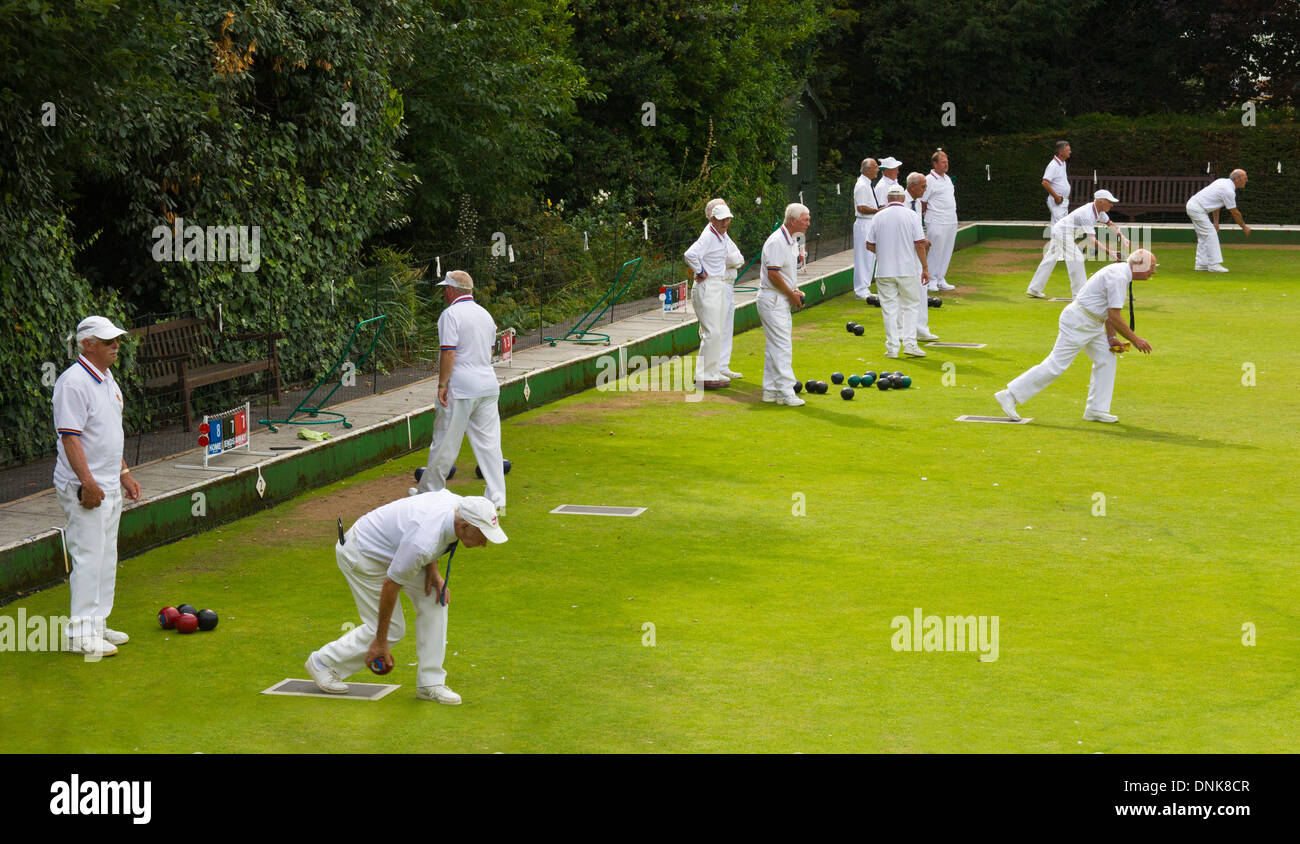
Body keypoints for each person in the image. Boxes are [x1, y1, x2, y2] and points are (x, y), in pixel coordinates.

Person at [306, 490, 507, 704]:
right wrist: (380, 643)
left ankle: (430, 682)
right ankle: (323, 662)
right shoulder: (423, 542)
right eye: (483, 535)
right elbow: (391, 585)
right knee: (391, 629)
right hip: (363, 554)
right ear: (464, 527)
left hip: (396, 548)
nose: (485, 543)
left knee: (434, 598)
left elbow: (431, 538)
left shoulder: (460, 507)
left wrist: (434, 573)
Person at [52, 316, 144, 657]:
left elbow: (107, 434)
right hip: (84, 487)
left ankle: (97, 623)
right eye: (108, 342)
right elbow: (70, 438)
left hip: (109, 484)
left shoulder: (107, 379)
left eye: (116, 340)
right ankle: (79, 633)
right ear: (87, 344)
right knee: (89, 556)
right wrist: (87, 483)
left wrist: (123, 473)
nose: (116, 346)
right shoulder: (73, 383)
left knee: (106, 555)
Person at [996, 250, 1156, 424]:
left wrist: (1111, 338)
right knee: (1055, 365)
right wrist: (1136, 340)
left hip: (1093, 323)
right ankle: (1010, 395)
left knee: (1106, 359)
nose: (1153, 271)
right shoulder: (1118, 276)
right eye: (1151, 267)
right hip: (1078, 322)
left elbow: (1109, 311)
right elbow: (1114, 315)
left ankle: (1096, 409)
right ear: (1137, 265)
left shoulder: (1121, 273)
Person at [414, 271, 506, 511]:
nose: (444, 292)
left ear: (453, 291)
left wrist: (442, 385)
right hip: (487, 385)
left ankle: (429, 494)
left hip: (461, 387)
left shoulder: (450, 314)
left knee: (445, 441)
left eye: (446, 288)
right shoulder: (486, 315)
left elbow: (449, 352)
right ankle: (497, 499)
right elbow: (488, 352)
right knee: (490, 444)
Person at [1026, 189, 1129, 299]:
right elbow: (1091, 240)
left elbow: (1110, 224)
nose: (1112, 205)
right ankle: (1080, 294)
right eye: (1110, 202)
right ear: (1100, 202)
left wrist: (1122, 237)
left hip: (1065, 232)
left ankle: (1034, 289)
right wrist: (1111, 252)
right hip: (1063, 232)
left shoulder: (1099, 212)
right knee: (1076, 258)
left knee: (1049, 259)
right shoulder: (1087, 214)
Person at [866, 184, 930, 359]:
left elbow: (869, 244)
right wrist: (924, 267)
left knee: (889, 309)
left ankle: (892, 348)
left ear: (888, 199)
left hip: (884, 271)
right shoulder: (911, 215)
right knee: (910, 306)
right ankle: (910, 344)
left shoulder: (878, 217)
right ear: (903, 199)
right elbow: (919, 243)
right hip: (907, 270)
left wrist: (884, 254)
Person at [685, 201, 743, 389]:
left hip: (717, 285)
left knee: (717, 331)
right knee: (712, 332)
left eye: (727, 219)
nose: (725, 222)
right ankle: (703, 377)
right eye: (721, 219)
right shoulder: (709, 235)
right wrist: (700, 271)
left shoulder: (721, 235)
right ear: (712, 219)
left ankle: (712, 371)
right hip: (707, 287)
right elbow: (689, 254)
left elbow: (738, 258)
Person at [758, 203, 810, 406]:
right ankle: (787, 392)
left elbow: (782, 273)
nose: (808, 223)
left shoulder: (791, 241)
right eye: (805, 219)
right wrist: (790, 294)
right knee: (782, 346)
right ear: (793, 220)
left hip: (779, 298)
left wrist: (793, 291)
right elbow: (773, 274)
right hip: (773, 299)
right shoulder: (777, 241)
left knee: (775, 345)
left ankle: (771, 391)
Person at [1185, 169, 1251, 272]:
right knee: (1211, 234)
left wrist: (1216, 222)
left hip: (1194, 206)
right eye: (1245, 178)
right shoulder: (1228, 191)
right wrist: (1244, 227)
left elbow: (1216, 204)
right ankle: (1214, 265)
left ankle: (1201, 264)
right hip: (1197, 208)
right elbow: (1235, 213)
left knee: (1204, 236)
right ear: (1237, 179)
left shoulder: (1222, 182)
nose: (1246, 180)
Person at [921, 150, 958, 292]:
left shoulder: (947, 178)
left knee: (947, 251)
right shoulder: (928, 180)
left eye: (947, 162)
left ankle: (941, 279)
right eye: (943, 162)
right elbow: (923, 201)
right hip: (936, 220)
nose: (946, 164)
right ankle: (931, 280)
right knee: (935, 251)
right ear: (935, 164)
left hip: (951, 220)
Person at [851, 158, 880, 299]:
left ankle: (865, 288)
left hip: (869, 223)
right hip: (864, 223)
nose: (878, 169)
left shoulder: (868, 184)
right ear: (868, 169)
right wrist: (878, 211)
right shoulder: (862, 185)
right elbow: (861, 208)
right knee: (863, 256)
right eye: (875, 167)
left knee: (869, 256)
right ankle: (860, 290)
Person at [1042, 141, 1072, 226]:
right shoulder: (1053, 165)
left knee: (1059, 226)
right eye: (1068, 150)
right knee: (1060, 226)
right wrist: (1056, 196)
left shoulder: (1063, 163)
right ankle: (1060, 239)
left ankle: (1057, 239)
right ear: (1061, 152)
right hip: (1057, 200)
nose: (1070, 152)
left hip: (1063, 200)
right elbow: (1045, 182)